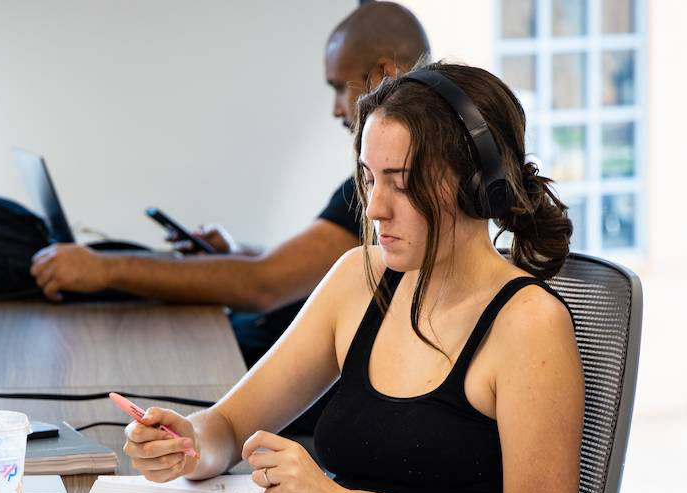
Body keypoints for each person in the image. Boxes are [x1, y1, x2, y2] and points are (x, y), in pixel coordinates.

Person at [122, 61, 584, 493]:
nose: (375, 207)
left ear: (477, 186)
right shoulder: (358, 279)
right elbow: (229, 427)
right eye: (368, 180)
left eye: (401, 183)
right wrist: (187, 445)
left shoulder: (529, 325)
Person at [29, 2, 430, 376]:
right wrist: (238, 253)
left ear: (383, 75)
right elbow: (304, 268)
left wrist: (102, 270)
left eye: (338, 88)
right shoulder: (379, 179)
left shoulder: (402, 185)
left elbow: (262, 285)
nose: (337, 109)